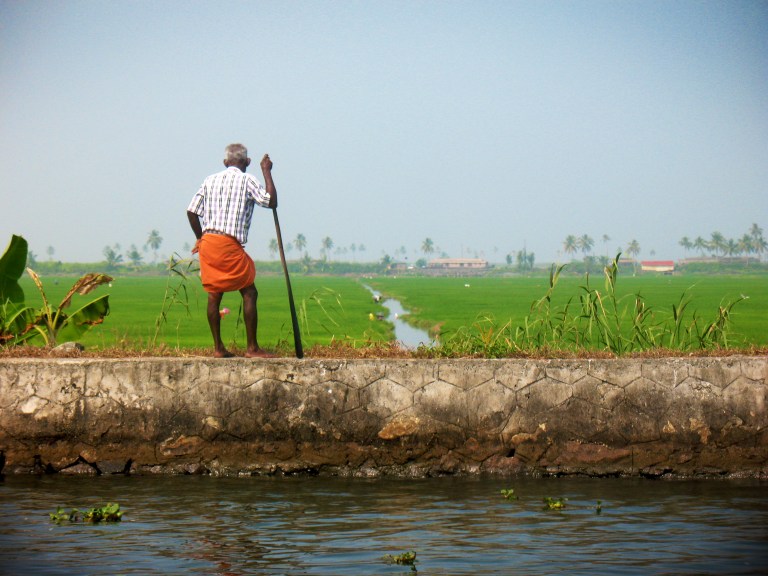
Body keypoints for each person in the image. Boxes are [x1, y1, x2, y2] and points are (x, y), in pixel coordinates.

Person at [186, 143, 277, 358]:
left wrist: (200, 238)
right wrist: (266, 172)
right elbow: (271, 202)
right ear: (247, 162)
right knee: (249, 292)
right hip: (229, 244)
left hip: (208, 242)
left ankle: (218, 348)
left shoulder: (210, 180)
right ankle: (252, 348)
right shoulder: (248, 179)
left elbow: (191, 211)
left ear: (225, 162)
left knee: (214, 295)